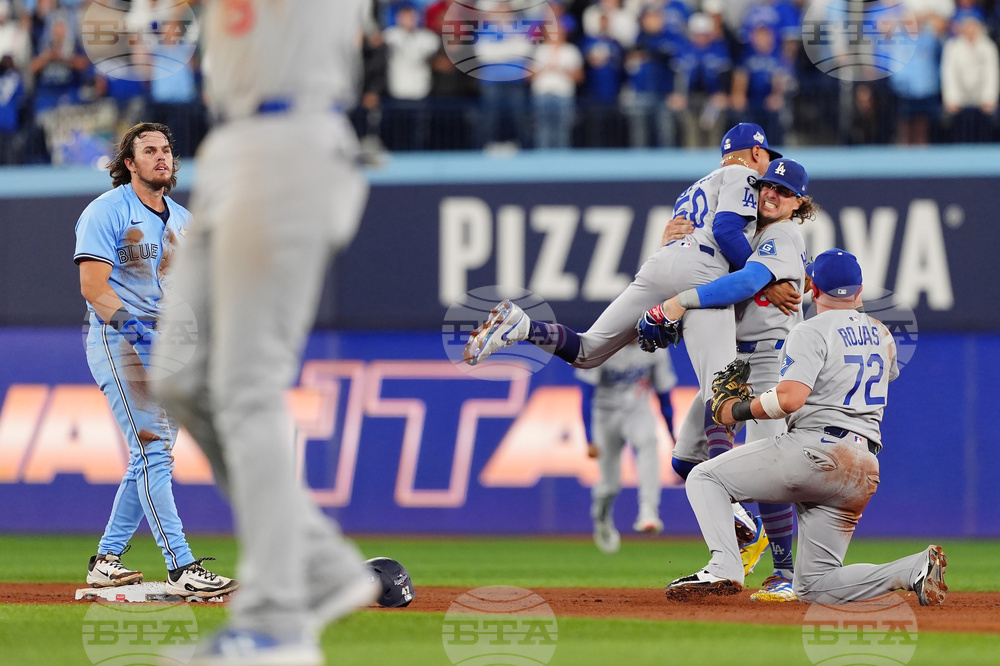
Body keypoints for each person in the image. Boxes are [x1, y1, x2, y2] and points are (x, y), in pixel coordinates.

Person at [153, 1, 379, 663]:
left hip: (292, 136)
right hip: (230, 145)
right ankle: (320, 565)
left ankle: (277, 621)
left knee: (247, 384)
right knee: (179, 375)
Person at [466, 123, 789, 545]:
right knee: (721, 394)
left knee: (587, 350)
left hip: (660, 265)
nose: (767, 173)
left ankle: (523, 325)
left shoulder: (695, 186)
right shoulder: (743, 174)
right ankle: (729, 503)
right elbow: (728, 230)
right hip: (701, 273)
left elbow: (690, 233)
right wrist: (764, 278)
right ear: (757, 153)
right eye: (766, 159)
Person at [662, 249, 948, 606]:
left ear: (813, 288)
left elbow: (790, 399)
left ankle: (725, 566)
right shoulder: (883, 335)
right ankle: (912, 569)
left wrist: (736, 410)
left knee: (705, 478)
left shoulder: (810, 330)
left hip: (815, 450)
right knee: (815, 586)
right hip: (863, 468)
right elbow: (883, 374)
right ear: (859, 290)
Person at [74, 122, 237, 599]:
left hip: (171, 343)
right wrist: (137, 332)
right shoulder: (105, 211)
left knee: (151, 457)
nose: (161, 157)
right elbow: (92, 288)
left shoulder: (184, 219)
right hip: (118, 337)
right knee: (151, 451)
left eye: (166, 149)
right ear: (130, 162)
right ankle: (181, 565)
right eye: (149, 150)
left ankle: (107, 559)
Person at [651, 157, 815, 603]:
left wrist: (681, 301)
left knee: (771, 471)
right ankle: (750, 530)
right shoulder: (745, 232)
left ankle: (784, 572)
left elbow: (745, 282)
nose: (770, 195)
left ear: (799, 203)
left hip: (768, 362)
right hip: (732, 359)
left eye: (782, 192)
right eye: (765, 187)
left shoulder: (784, 233)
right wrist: (673, 243)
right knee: (687, 460)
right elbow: (704, 261)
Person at [578, 343, 676, 553]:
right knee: (609, 485)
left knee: (649, 441)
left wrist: (671, 434)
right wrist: (589, 439)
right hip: (604, 414)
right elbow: (586, 396)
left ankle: (648, 511)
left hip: (637, 409)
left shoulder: (655, 346)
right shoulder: (601, 342)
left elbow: (664, 396)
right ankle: (602, 518)